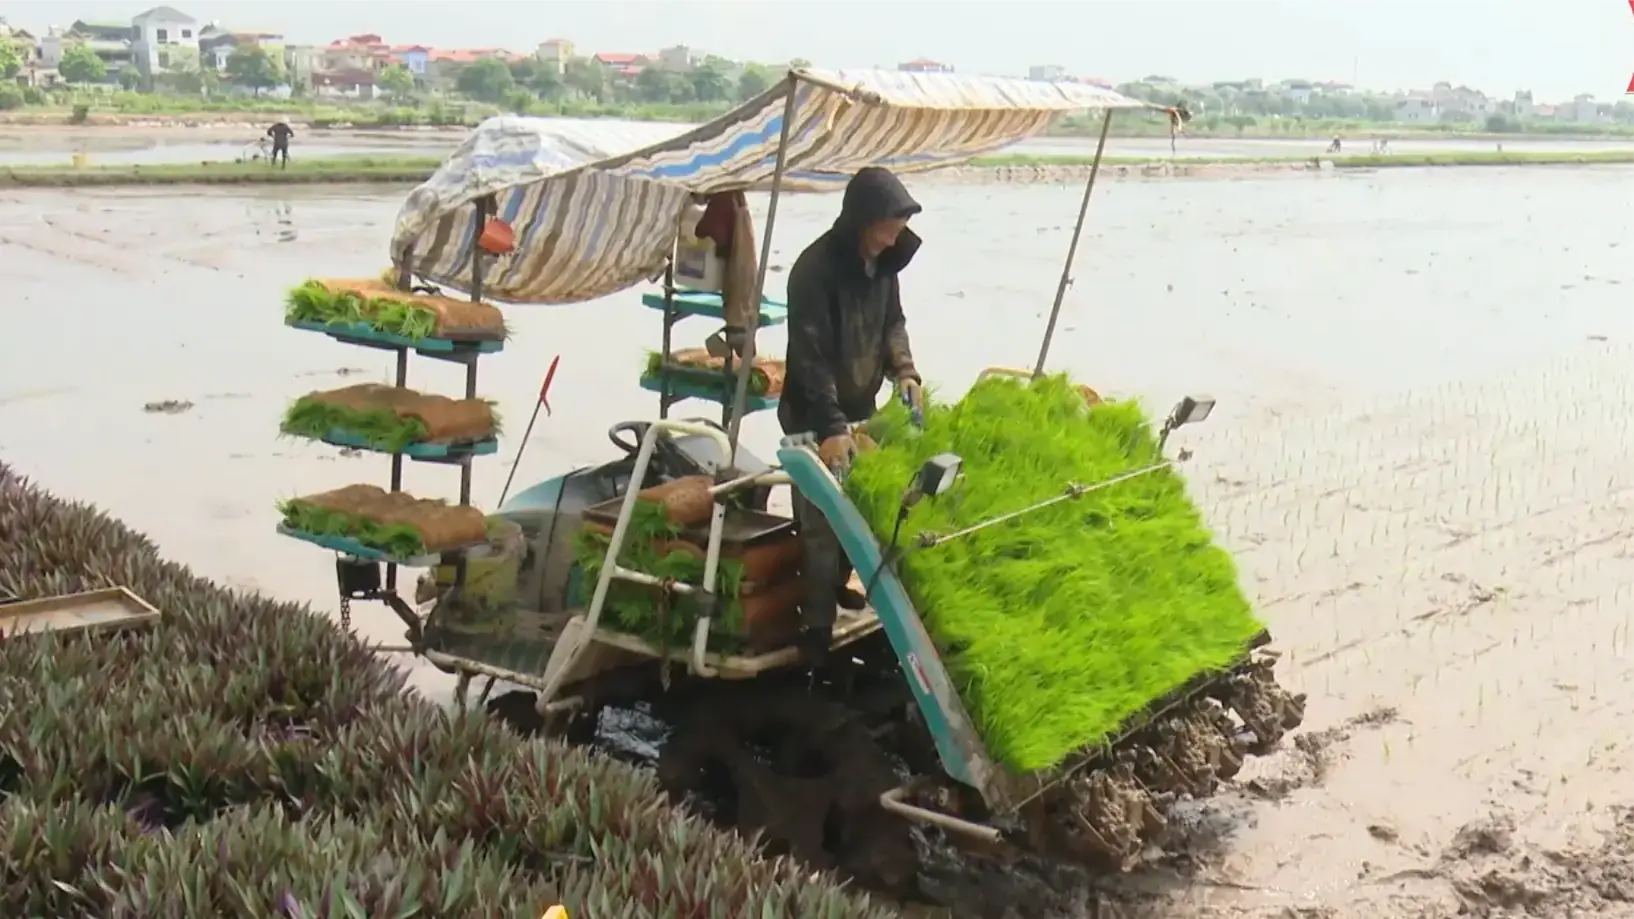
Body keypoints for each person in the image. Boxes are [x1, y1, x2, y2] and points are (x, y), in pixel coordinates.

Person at [780, 166, 925, 664]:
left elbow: (893, 326)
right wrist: (831, 427)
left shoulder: (883, 268)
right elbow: (810, 356)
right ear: (864, 220)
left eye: (899, 226)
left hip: (861, 408)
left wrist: (905, 373)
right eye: (889, 225)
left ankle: (841, 588)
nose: (893, 236)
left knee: (860, 507)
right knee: (821, 517)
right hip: (812, 412)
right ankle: (815, 630)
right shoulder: (814, 271)